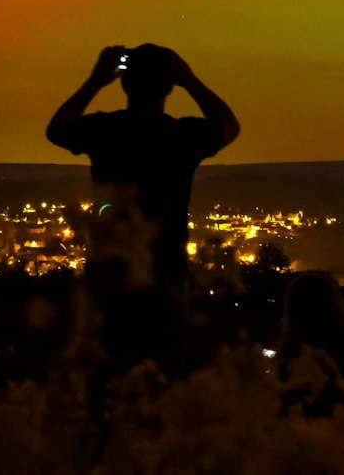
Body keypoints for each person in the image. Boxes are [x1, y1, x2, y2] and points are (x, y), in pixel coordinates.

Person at [47, 43, 239, 371]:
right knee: (163, 378)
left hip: (111, 279)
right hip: (167, 276)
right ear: (169, 86)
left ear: (124, 83)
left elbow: (57, 130)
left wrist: (95, 80)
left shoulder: (106, 132)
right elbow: (228, 125)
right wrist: (190, 80)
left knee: (106, 377)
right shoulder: (181, 137)